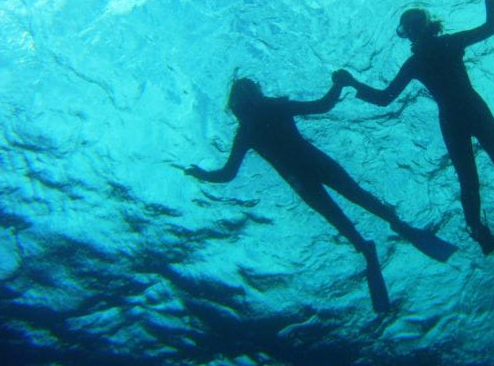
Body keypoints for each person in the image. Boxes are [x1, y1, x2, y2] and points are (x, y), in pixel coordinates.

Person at [183, 76, 456, 314]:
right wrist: (337, 85)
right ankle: (382, 236)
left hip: (303, 177)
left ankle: (373, 242)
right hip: (313, 169)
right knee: (350, 205)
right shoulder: (268, 113)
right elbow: (322, 105)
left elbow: (227, 173)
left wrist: (202, 174)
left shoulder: (252, 126)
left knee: (345, 210)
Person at [334, 0, 494, 255]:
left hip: (453, 117)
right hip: (470, 109)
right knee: (489, 168)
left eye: (412, 26)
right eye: (411, 27)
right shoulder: (445, 45)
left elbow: (385, 98)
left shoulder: (420, 60)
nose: (413, 31)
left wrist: (353, 82)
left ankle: (489, 224)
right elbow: (492, 26)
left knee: (473, 177)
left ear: (411, 32)